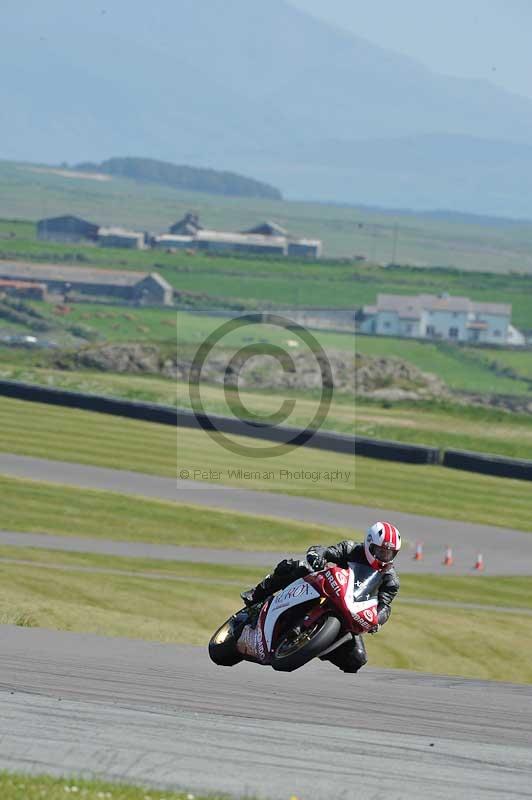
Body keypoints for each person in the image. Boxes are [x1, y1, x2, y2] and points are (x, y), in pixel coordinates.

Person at [240, 521, 401, 673]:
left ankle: (314, 645)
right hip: (327, 589)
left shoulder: (390, 579)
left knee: (356, 660)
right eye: (380, 551)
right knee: (297, 567)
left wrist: (377, 620)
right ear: (369, 544)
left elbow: (385, 605)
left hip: (351, 610)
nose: (384, 556)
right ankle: (257, 593)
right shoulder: (352, 549)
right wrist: (318, 556)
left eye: (389, 553)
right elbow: (327, 551)